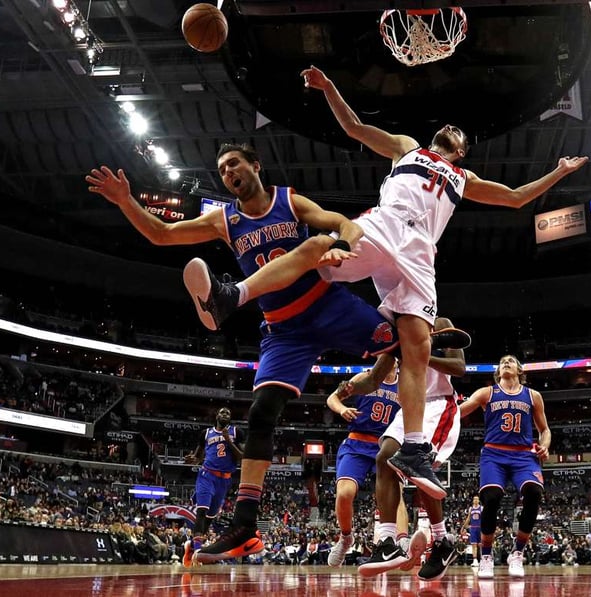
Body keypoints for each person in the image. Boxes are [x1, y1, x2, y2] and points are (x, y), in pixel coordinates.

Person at [195, 66, 587, 504]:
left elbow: (516, 197)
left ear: (461, 151)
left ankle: (416, 448)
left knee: (416, 346)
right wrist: (329, 88)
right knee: (318, 251)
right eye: (447, 125)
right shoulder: (406, 148)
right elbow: (355, 127)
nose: (450, 128)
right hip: (385, 227)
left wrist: (559, 173)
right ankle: (237, 293)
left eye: (459, 132)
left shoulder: (465, 179)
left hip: (421, 252)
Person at [86, 146, 466, 562]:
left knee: (403, 340)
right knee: (261, 413)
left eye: (234, 163)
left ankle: (436, 352)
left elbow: (341, 222)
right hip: (284, 329)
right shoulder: (224, 220)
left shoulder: (289, 200)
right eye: (222, 169)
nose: (228, 171)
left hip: (327, 305)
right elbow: (161, 234)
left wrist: (341, 243)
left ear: (255, 165)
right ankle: (245, 528)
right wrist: (126, 201)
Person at [335, 317, 465, 580]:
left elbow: (459, 367)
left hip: (437, 405)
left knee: (418, 469)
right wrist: (350, 387)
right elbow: (373, 380)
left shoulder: (439, 323)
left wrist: (420, 354)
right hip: (408, 406)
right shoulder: (395, 332)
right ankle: (386, 543)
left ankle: (442, 541)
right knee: (385, 457)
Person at [458, 355, 551, 579]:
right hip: (494, 453)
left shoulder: (533, 396)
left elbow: (544, 430)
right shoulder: (486, 393)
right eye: (502, 361)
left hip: (523, 455)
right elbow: (459, 412)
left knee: (534, 493)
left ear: (520, 370)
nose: (506, 362)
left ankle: (517, 553)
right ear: (498, 372)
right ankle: (487, 557)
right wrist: (444, 407)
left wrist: (545, 446)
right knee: (491, 498)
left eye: (511, 360)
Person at [325, 363, 402, 567]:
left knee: (397, 495)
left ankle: (398, 541)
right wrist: (342, 409)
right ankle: (346, 538)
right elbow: (332, 398)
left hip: (388, 444)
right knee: (344, 493)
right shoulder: (364, 378)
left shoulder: (405, 383)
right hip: (357, 442)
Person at [181, 407, 242, 567]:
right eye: (222, 412)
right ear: (217, 416)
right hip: (206, 475)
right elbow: (198, 456)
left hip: (224, 480)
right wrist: (193, 460)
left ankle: (193, 547)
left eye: (228, 413)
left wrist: (229, 441)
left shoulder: (237, 432)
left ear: (230, 418)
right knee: (202, 510)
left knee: (210, 518)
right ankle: (198, 552)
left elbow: (242, 457)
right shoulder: (206, 433)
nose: (225, 414)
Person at [459, 495, 482, 567]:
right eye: (474, 499)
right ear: (473, 501)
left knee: (481, 545)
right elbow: (468, 518)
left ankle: (482, 560)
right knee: (474, 545)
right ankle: (475, 560)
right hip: (473, 528)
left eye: (477, 499)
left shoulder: (481, 508)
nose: (475, 500)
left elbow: (484, 518)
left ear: (478, 501)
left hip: (480, 528)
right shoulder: (471, 509)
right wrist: (463, 527)